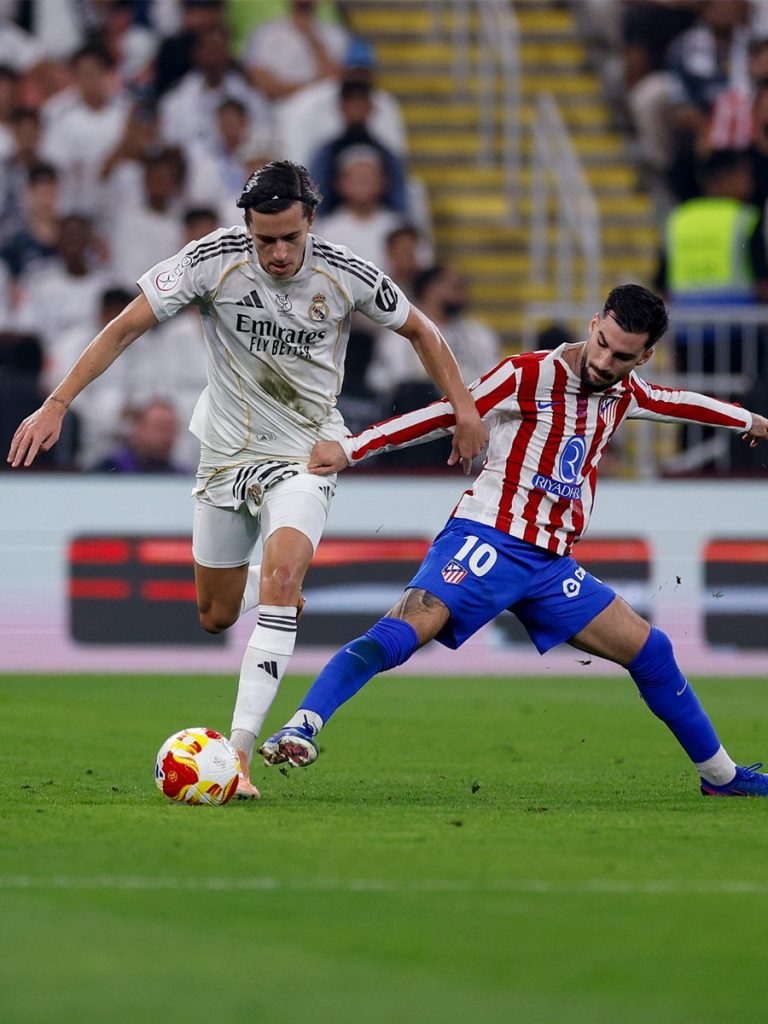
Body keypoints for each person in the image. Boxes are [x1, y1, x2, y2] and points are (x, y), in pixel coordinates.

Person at [6, 159, 487, 800]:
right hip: (225, 455)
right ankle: (275, 595)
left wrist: (465, 408)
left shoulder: (346, 273)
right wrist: (58, 402)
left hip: (306, 455)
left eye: (290, 236)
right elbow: (124, 327)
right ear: (248, 227)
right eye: (265, 239)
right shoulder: (213, 259)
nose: (278, 251)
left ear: (310, 221)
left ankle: (238, 753)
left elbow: (422, 331)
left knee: (283, 579)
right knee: (216, 614)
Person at [259, 283, 768, 799]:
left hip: (550, 565)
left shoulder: (625, 391)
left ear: (644, 356)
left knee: (653, 651)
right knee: (409, 627)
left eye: (623, 356)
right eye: (603, 344)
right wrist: (351, 448)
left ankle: (721, 778)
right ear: (594, 323)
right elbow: (445, 413)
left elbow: (678, 403)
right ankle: (302, 725)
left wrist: (752, 422)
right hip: (488, 537)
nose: (605, 361)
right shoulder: (526, 374)